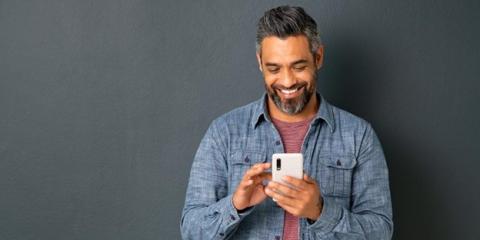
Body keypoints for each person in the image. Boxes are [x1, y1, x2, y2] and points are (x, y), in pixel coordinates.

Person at [180, 5, 393, 240]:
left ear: (318, 57)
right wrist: (236, 205)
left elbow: (380, 231)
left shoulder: (359, 136)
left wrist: (320, 212)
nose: (287, 81)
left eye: (299, 66)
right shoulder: (224, 133)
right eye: (274, 69)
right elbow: (191, 230)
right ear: (260, 62)